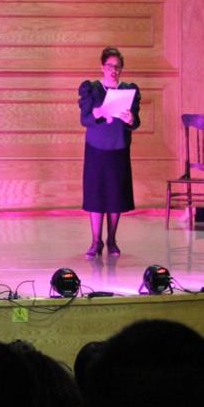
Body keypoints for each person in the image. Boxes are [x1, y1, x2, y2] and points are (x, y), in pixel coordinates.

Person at [77, 46, 140, 257]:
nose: (114, 70)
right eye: (110, 66)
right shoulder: (92, 89)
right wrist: (97, 113)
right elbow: (85, 119)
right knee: (96, 196)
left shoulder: (129, 90)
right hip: (96, 149)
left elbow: (135, 121)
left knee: (115, 196)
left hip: (118, 148)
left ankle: (112, 240)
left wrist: (131, 120)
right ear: (102, 67)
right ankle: (96, 241)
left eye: (117, 67)